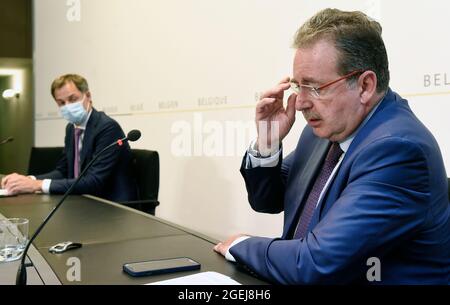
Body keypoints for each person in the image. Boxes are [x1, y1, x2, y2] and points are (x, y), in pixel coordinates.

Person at [214, 8, 450, 284]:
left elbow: (316, 264)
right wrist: (268, 139)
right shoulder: (323, 131)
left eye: (315, 88)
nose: (300, 103)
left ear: (365, 86)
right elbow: (267, 200)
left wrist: (239, 244)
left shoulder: (397, 150)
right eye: (297, 86)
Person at [1, 74, 137, 202]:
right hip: (82, 200)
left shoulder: (107, 127)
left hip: (111, 205)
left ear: (88, 96)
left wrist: (36, 184)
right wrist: (27, 180)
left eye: (72, 99)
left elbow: (94, 181)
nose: (67, 106)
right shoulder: (71, 128)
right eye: (61, 102)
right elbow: (63, 171)